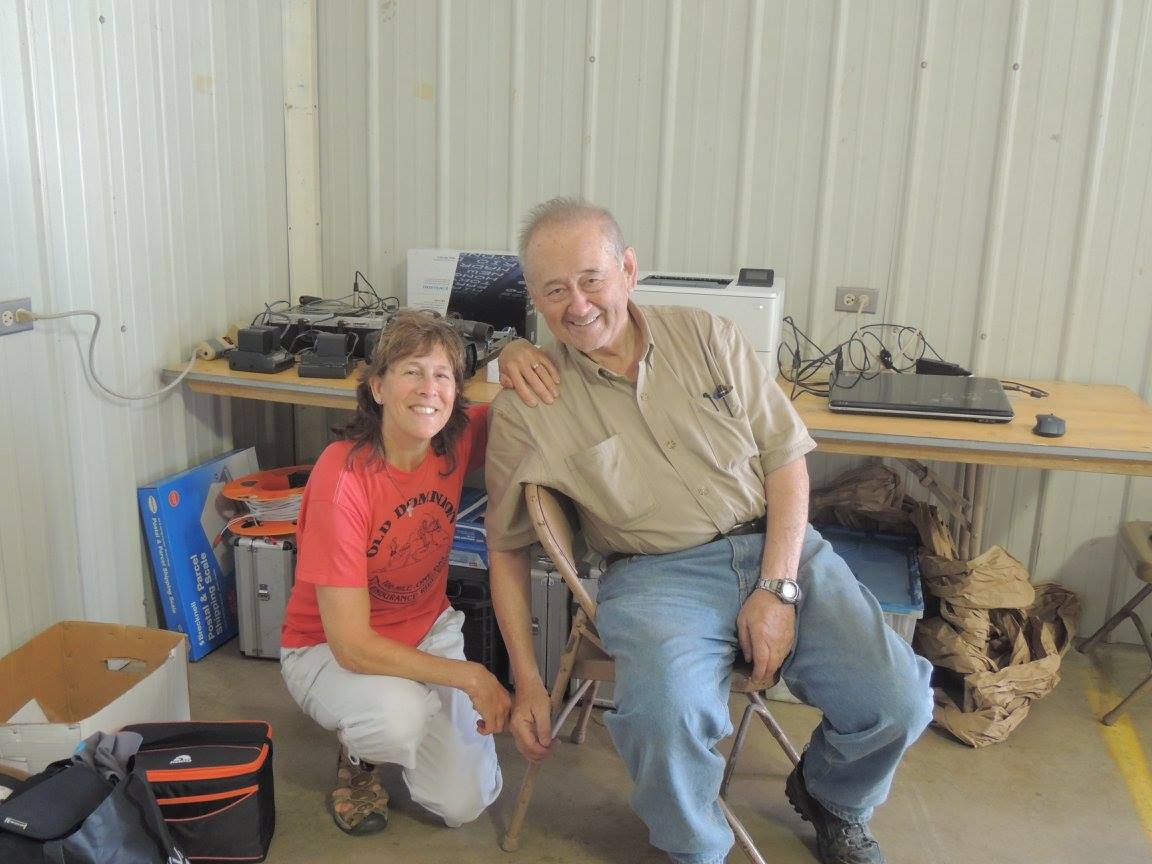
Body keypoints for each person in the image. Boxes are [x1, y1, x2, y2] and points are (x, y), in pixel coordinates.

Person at [485, 199, 935, 864]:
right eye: (555, 290)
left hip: (778, 547)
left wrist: (778, 588)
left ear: (629, 269)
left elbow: (786, 460)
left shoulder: (709, 336)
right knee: (663, 719)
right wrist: (526, 682)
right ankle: (695, 849)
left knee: (899, 701)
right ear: (534, 299)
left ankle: (834, 796)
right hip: (654, 577)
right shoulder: (527, 404)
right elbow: (505, 549)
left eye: (591, 279)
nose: (577, 306)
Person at [280, 310, 551, 836]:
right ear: (378, 387)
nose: (429, 388)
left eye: (443, 374)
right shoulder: (344, 477)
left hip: (427, 632)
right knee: (396, 717)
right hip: (327, 649)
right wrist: (472, 677)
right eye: (411, 371)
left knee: (462, 804)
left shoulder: (452, 443)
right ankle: (360, 756)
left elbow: (517, 390)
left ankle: (410, 721)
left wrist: (512, 350)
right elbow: (353, 646)